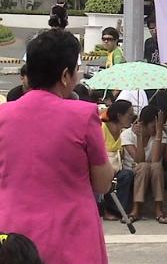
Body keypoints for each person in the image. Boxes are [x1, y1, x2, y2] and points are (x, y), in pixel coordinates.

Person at [0, 29, 114, 263]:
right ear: (65, 75)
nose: (79, 74)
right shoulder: (83, 115)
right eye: (77, 68)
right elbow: (102, 183)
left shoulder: (3, 114)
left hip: (14, 240)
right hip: (70, 234)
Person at [122, 105, 167, 224]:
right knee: (143, 166)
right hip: (133, 169)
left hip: (154, 170)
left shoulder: (160, 134)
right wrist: (139, 138)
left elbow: (155, 159)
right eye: (153, 126)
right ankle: (135, 210)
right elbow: (139, 160)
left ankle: (159, 210)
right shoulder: (127, 134)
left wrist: (159, 133)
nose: (155, 129)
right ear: (143, 123)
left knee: (156, 166)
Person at [101, 100, 135, 221]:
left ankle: (116, 209)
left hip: (116, 169)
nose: (132, 118)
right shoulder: (102, 129)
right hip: (101, 169)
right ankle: (103, 210)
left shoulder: (122, 133)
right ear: (119, 116)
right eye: (129, 115)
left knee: (127, 175)